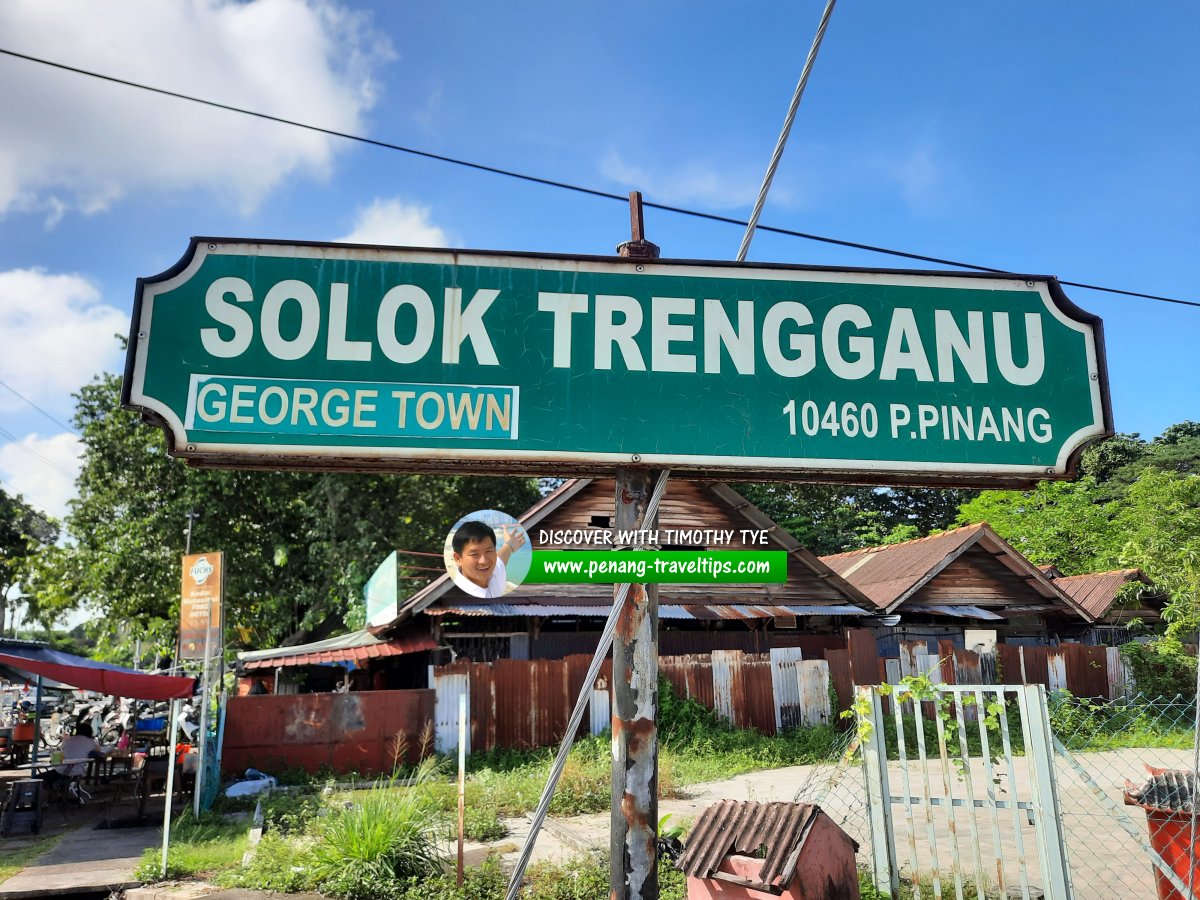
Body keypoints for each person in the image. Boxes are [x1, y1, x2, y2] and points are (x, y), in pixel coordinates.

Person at [449, 520, 526, 599]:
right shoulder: (457, 595)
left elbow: (501, 558)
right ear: (458, 559)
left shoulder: (494, 573)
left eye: (488, 551)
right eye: (474, 554)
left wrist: (509, 545)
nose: (484, 561)